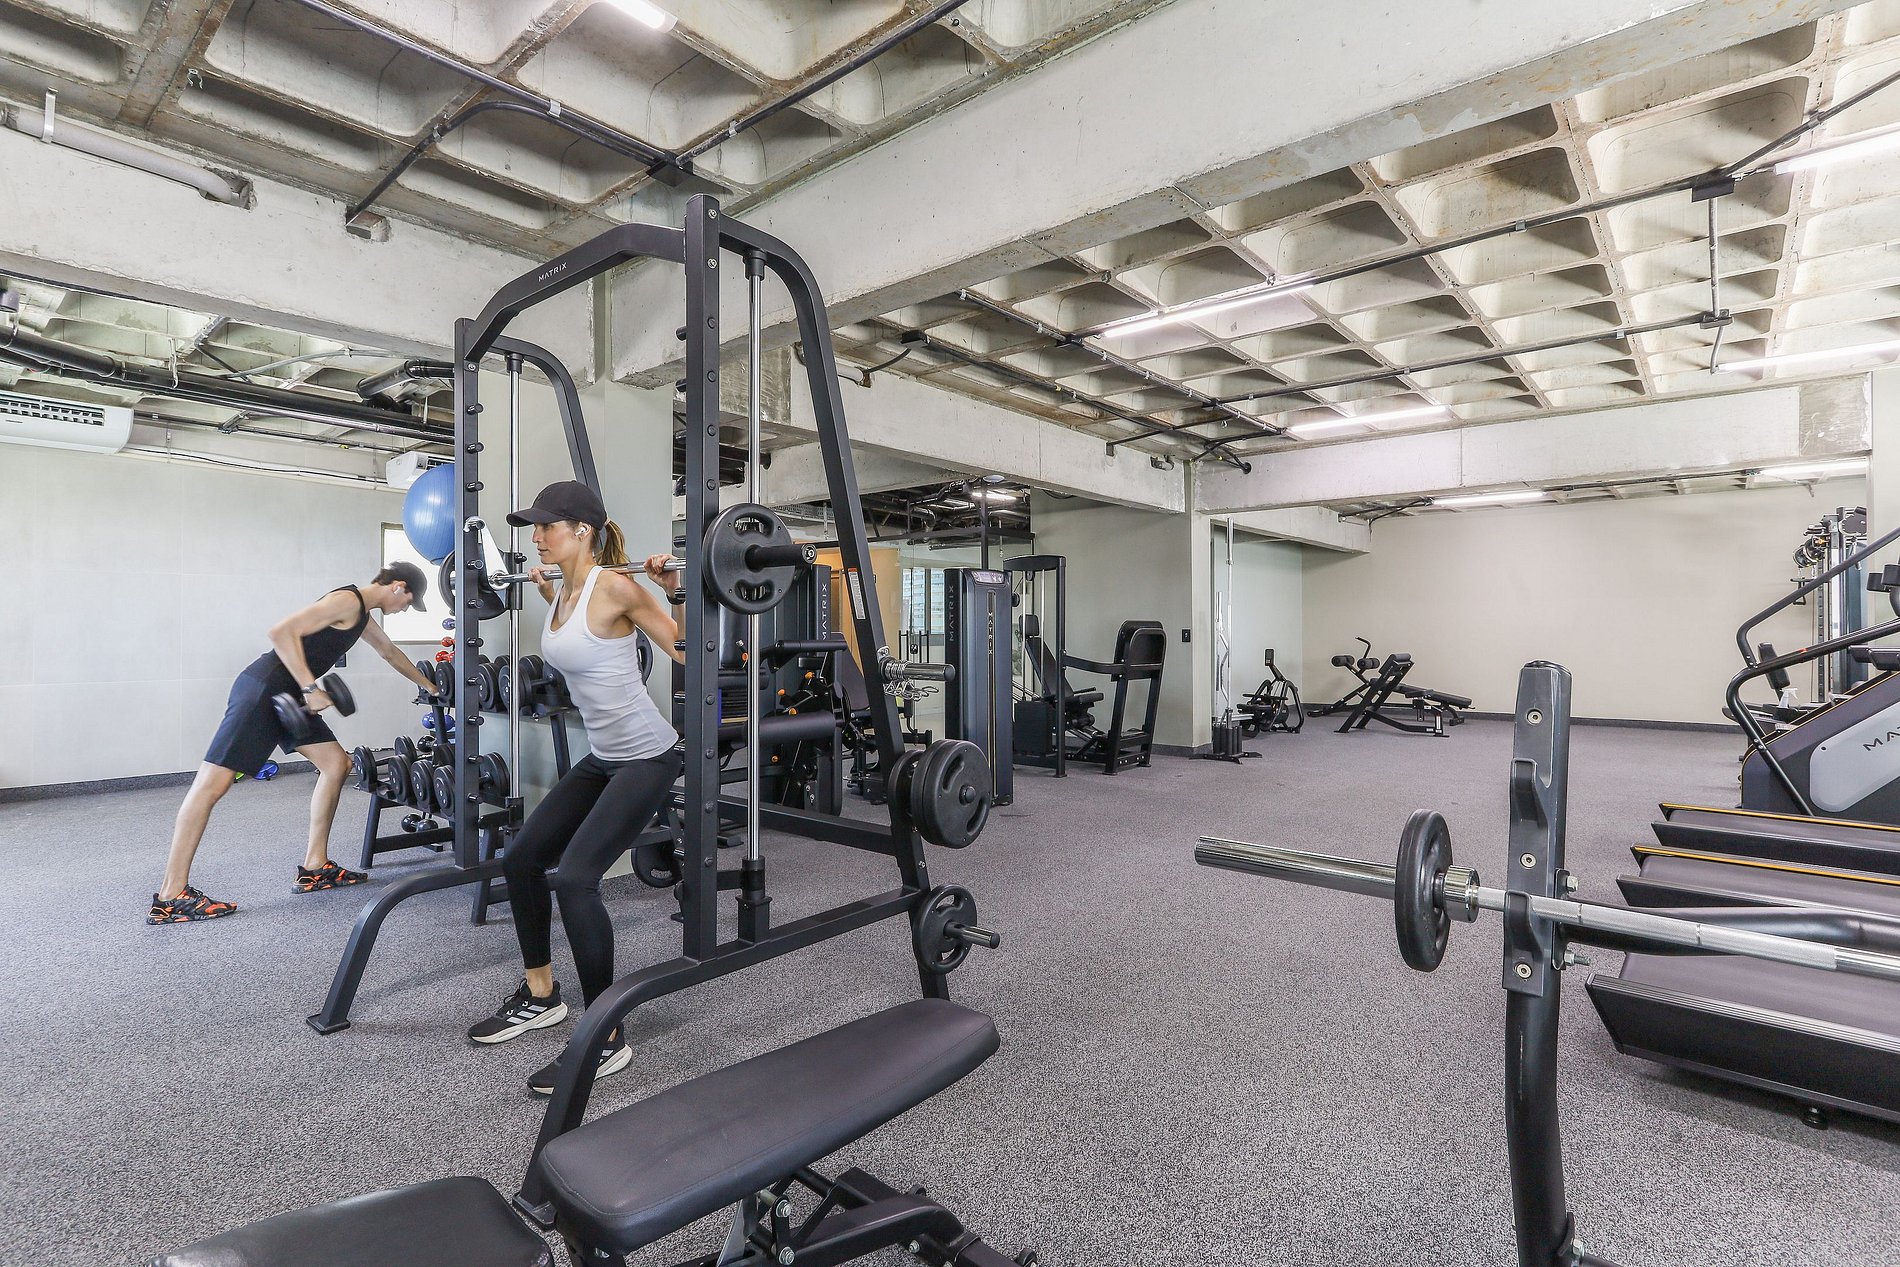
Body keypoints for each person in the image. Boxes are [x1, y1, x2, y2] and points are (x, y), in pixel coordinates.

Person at [464, 481, 685, 1094]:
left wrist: (675, 591)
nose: (536, 536)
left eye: (546, 526)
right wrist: (547, 590)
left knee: (577, 878)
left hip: (648, 757)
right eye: (534, 527)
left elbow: (687, 653)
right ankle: (542, 995)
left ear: (582, 530)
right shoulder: (563, 589)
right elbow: (575, 638)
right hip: (604, 757)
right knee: (522, 859)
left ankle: (604, 1034)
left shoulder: (618, 587)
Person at [150, 563, 442, 924]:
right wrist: (310, 687)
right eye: (409, 601)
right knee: (213, 784)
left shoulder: (362, 615)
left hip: (289, 695)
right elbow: (281, 631)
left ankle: (315, 866)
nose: (405, 609)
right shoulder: (347, 601)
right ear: (398, 586)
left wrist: (430, 687)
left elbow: (389, 651)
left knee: (337, 765)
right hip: (265, 690)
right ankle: (171, 895)